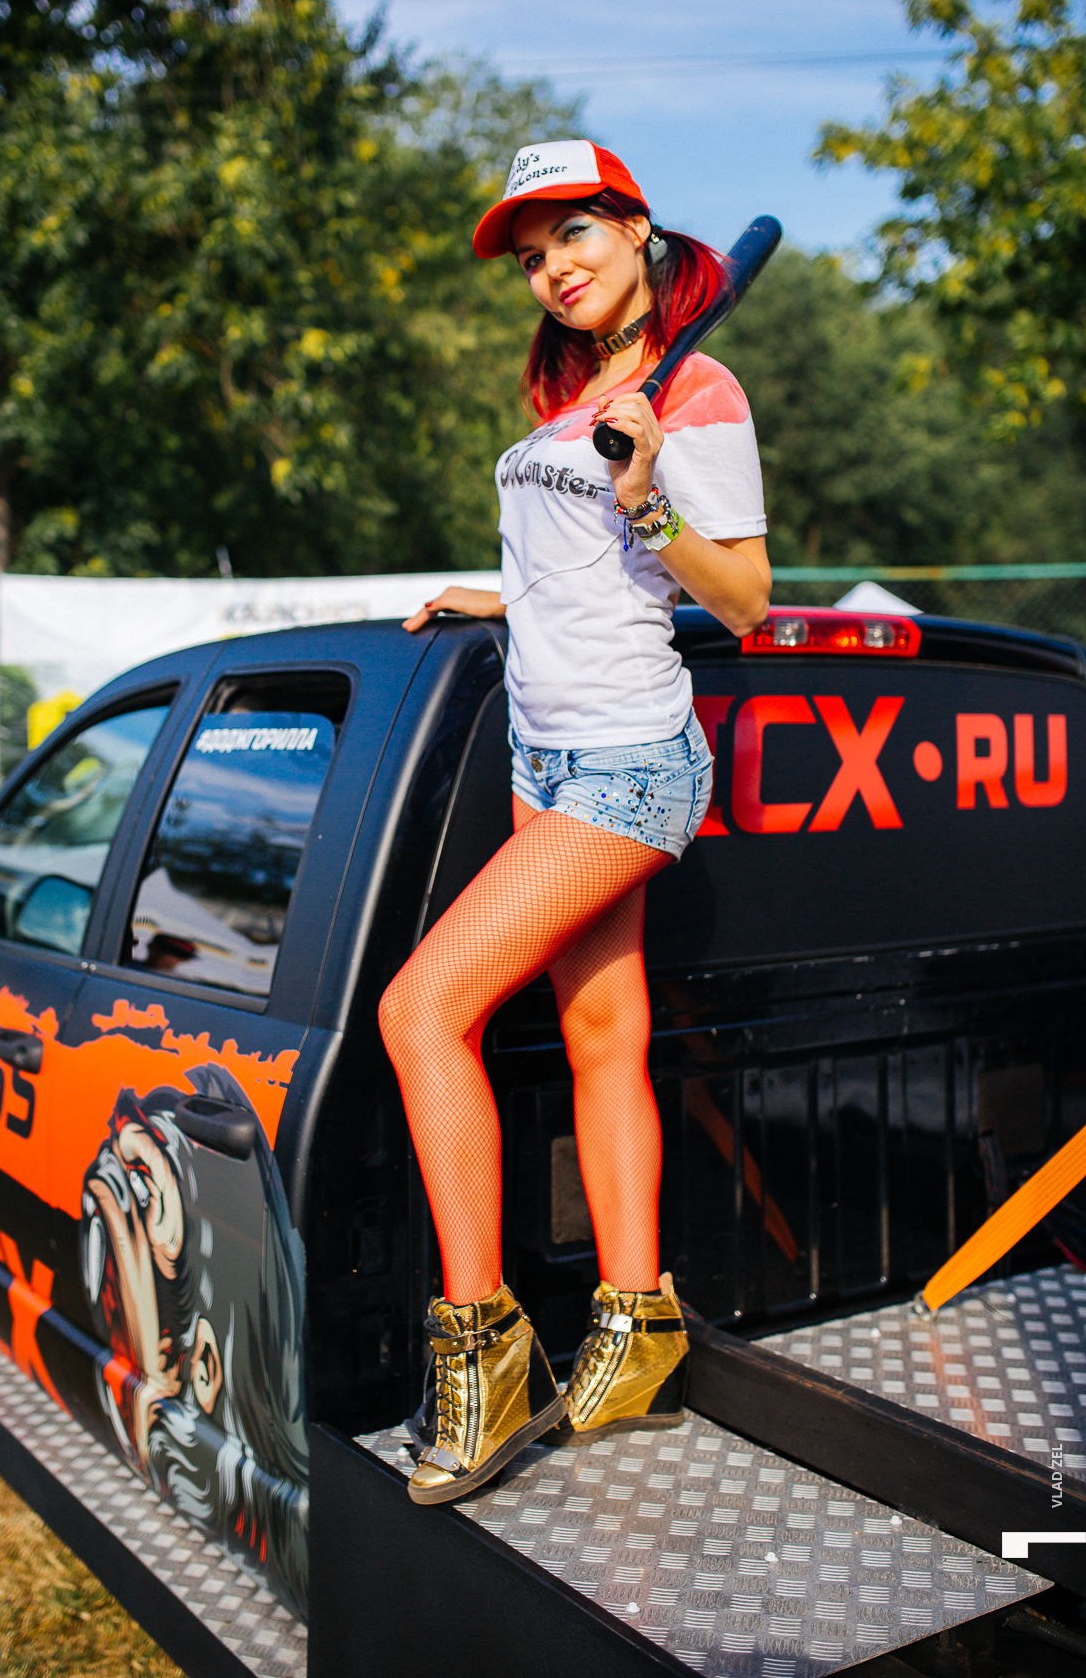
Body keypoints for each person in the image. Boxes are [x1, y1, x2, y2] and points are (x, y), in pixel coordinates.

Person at [378, 140, 771, 1506]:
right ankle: (639, 1324)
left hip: (627, 761)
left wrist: (647, 489)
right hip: (541, 751)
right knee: (604, 1037)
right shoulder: (572, 392)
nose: (554, 269)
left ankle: (482, 1355)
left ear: (637, 227)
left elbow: (742, 603)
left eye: (577, 236)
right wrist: (495, 598)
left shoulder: (697, 392)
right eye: (534, 254)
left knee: (421, 1013)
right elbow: (570, 569)